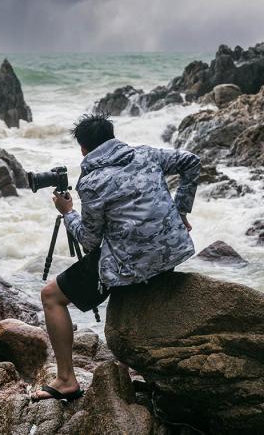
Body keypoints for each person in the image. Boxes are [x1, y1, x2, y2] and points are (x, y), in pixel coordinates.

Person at [31, 113, 200, 402]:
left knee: (51, 296)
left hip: (132, 264)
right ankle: (128, 368)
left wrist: (68, 212)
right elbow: (191, 161)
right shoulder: (148, 154)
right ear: (112, 136)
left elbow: (89, 240)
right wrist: (181, 211)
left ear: (83, 149)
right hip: (172, 251)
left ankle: (66, 380)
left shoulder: (92, 181)